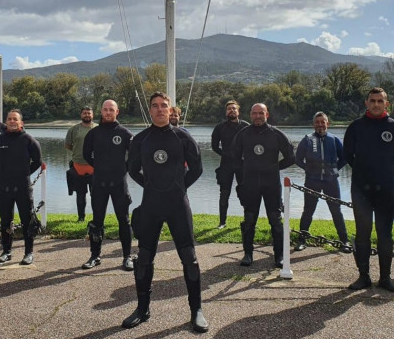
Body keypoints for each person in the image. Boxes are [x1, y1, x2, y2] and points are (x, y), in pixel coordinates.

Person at [123, 92, 208, 333]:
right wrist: (151, 187)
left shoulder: (183, 137)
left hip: (178, 205)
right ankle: (142, 309)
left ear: (171, 110)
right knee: (144, 260)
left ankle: (196, 311)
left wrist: (178, 188)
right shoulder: (140, 139)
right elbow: (132, 170)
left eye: (164, 106)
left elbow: (198, 169)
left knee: (190, 260)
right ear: (150, 111)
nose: (160, 110)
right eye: (155, 106)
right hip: (151, 205)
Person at [344, 87, 394, 293]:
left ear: (386, 104)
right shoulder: (355, 127)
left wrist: (387, 174)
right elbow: (348, 155)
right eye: (372, 100)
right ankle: (363, 276)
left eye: (380, 101)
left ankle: (385, 278)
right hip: (361, 190)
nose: (376, 104)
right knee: (362, 234)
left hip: (385, 191)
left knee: (385, 235)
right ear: (366, 103)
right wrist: (365, 173)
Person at [231, 103, 294, 268]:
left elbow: (290, 156)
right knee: (249, 219)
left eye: (261, 113)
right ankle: (247, 254)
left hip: (271, 183)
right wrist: (244, 174)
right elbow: (235, 158)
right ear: (250, 115)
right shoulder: (243, 134)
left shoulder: (276, 134)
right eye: (254, 113)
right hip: (250, 183)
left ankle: (279, 256)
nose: (257, 116)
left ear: (267, 114)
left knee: (275, 219)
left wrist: (274, 168)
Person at [81, 100, 133, 271]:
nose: (108, 112)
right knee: (97, 221)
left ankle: (127, 256)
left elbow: (134, 157)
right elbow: (86, 154)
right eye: (105, 109)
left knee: (124, 221)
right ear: (101, 112)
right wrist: (100, 166)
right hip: (99, 183)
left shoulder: (125, 133)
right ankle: (95, 256)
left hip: (119, 183)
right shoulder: (94, 133)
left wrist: (122, 168)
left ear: (117, 111)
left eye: (112, 109)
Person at [0, 109, 42, 265]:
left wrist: (24, 173)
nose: (12, 121)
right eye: (9, 119)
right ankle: (6, 251)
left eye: (15, 119)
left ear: (21, 123)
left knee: (28, 221)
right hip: (4, 188)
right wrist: (1, 177)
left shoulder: (29, 140)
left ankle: (28, 253)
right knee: (5, 220)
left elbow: (37, 162)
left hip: (23, 187)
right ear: (6, 122)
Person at [294, 111, 350, 252]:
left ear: (327, 124)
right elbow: (298, 159)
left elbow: (344, 157)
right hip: (312, 181)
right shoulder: (307, 139)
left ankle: (345, 241)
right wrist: (307, 168)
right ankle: (302, 240)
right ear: (313, 124)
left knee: (336, 211)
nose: (320, 124)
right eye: (317, 122)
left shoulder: (334, 139)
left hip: (331, 181)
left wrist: (335, 169)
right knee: (308, 210)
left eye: (322, 122)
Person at [211, 100, 249, 229]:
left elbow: (252, 144)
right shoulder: (220, 127)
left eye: (234, 108)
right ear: (226, 112)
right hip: (226, 165)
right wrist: (225, 154)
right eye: (229, 109)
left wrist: (244, 156)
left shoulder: (246, 126)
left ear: (238, 111)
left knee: (245, 192)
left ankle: (247, 220)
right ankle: (222, 222)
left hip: (242, 164)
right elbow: (214, 146)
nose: (231, 110)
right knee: (224, 193)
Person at [65, 107, 96, 221]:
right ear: (81, 115)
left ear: (92, 115)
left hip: (94, 166)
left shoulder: (98, 128)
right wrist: (78, 151)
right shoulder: (73, 129)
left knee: (96, 195)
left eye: (89, 113)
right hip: (78, 166)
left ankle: (97, 218)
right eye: (84, 113)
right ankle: (81, 218)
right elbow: (68, 145)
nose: (87, 115)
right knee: (80, 195)